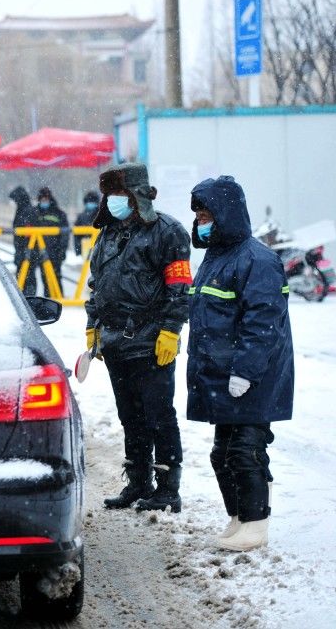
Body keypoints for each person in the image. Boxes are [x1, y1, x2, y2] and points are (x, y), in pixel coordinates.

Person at [187, 175, 294, 551]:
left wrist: (245, 371)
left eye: (206, 215)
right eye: (198, 215)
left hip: (252, 376)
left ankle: (256, 523)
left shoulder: (258, 260)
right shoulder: (215, 259)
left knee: (245, 450)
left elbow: (262, 322)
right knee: (222, 453)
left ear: (225, 215)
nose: (201, 222)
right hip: (221, 374)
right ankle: (238, 517)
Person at [85, 163, 191, 512]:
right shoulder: (108, 233)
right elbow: (96, 284)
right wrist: (93, 324)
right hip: (115, 342)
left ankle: (168, 488)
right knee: (130, 416)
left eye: (119, 194)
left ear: (135, 195)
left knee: (159, 415)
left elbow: (180, 288)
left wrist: (171, 331)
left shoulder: (168, 232)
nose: (113, 202)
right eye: (109, 195)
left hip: (150, 341)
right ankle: (139, 481)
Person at [35, 186, 69, 297]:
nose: (44, 201)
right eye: (42, 199)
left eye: (46, 199)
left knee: (56, 277)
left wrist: (62, 250)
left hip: (55, 251)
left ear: (50, 199)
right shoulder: (35, 213)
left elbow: (65, 234)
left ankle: (59, 300)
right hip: (41, 252)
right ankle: (48, 301)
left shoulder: (59, 213)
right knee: (44, 277)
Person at [8, 186, 39, 296]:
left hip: (27, 250)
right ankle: (26, 298)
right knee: (24, 276)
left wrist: (25, 251)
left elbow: (27, 232)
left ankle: (28, 300)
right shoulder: (23, 209)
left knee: (27, 277)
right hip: (23, 250)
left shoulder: (26, 211)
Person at [73, 190, 100, 256]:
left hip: (99, 247)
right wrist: (78, 250)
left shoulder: (101, 215)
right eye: (89, 201)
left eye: (92, 201)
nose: (90, 203)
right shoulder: (81, 217)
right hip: (85, 248)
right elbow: (76, 236)